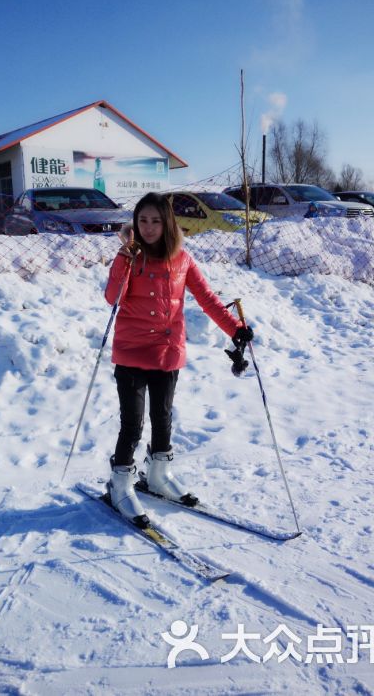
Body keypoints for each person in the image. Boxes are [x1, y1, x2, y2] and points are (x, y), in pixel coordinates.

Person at [104, 192, 254, 527]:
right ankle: (120, 484)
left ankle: (158, 475)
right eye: (143, 220)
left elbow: (207, 298)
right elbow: (112, 298)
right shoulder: (129, 257)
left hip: (167, 353)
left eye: (156, 220)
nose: (149, 227)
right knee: (132, 423)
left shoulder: (182, 259)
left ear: (168, 223)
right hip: (130, 352)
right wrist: (123, 260)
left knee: (162, 417)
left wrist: (235, 328)